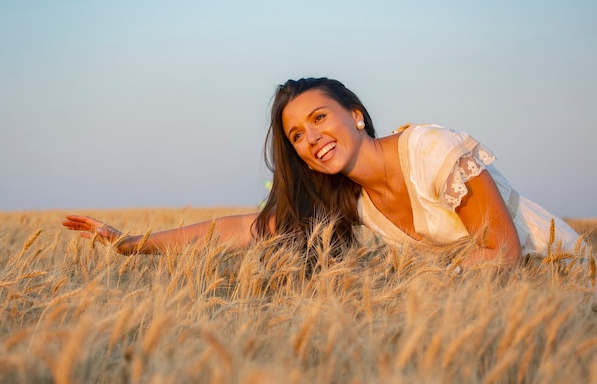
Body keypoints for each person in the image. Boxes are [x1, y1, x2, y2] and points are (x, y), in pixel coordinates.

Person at [63, 77, 590, 270]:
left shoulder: (431, 148)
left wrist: (420, 296)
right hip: (491, 309)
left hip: (563, 280)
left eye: (319, 119)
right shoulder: (350, 200)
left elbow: (502, 250)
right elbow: (236, 230)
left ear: (355, 115)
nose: (310, 139)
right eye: (296, 135)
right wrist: (128, 242)